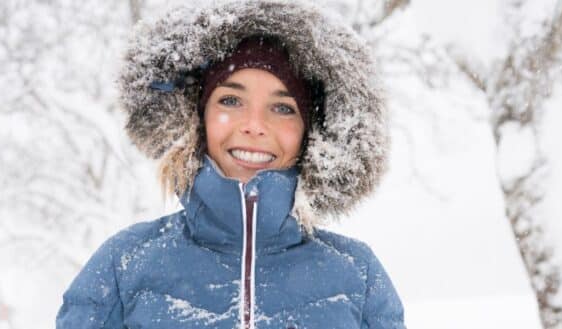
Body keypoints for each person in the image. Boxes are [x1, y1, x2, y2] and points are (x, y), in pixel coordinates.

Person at [56, 1, 406, 328]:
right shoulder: (125, 264)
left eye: (282, 107)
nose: (254, 124)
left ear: (311, 132)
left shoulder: (358, 278)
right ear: (197, 117)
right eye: (231, 100)